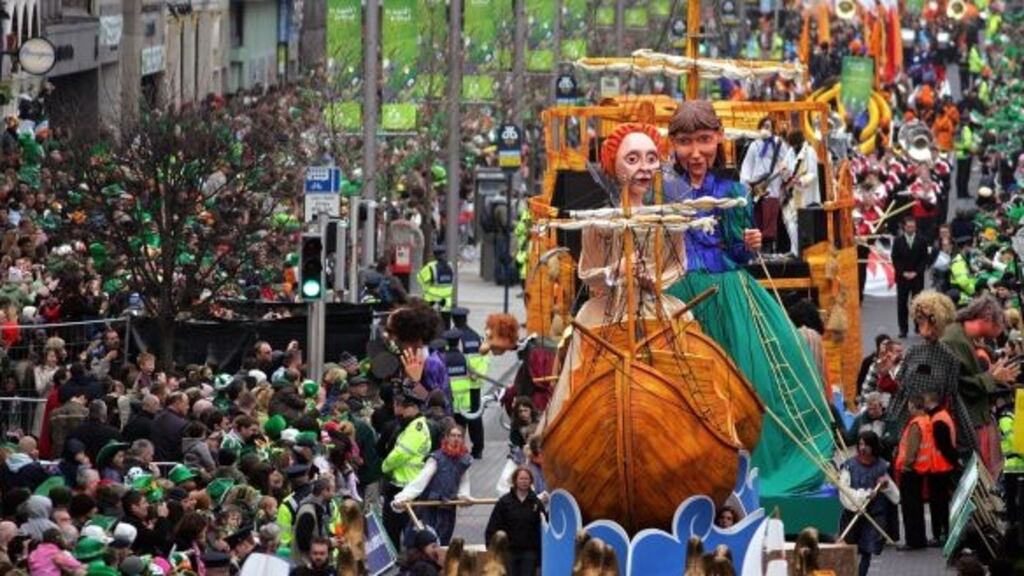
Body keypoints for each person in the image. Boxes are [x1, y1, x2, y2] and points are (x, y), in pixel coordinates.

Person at [662, 101, 833, 498]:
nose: (695, 152)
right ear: (673, 144)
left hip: (729, 295)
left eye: (704, 140)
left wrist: (748, 243)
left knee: (761, 377)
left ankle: (760, 470)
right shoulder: (663, 188)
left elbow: (738, 254)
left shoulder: (734, 191)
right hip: (677, 296)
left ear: (718, 139)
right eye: (685, 142)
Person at [942, 295, 1019, 477]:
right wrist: (992, 377)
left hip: (973, 420)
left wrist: (992, 376)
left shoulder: (962, 337)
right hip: (968, 424)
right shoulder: (955, 340)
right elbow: (961, 385)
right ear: (986, 318)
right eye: (1000, 324)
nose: (1001, 331)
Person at [392, 425, 474, 546]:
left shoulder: (464, 460)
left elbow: (464, 482)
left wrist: (464, 496)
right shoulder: (437, 458)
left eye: (459, 436)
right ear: (447, 438)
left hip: (448, 508)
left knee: (443, 541)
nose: (456, 439)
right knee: (425, 540)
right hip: (429, 508)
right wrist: (403, 497)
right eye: (453, 435)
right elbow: (421, 481)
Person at [839, 431, 899, 576]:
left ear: (873, 446)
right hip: (852, 514)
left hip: (874, 516)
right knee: (850, 550)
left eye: (866, 444)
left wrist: (885, 486)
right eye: (860, 444)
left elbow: (896, 497)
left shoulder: (881, 466)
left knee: (867, 551)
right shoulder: (849, 466)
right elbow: (844, 491)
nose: (862, 448)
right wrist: (863, 497)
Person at [381, 387, 432, 550]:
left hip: (406, 487)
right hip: (406, 485)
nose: (399, 413)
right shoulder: (414, 426)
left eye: (402, 408)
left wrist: (385, 466)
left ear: (412, 407)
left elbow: (400, 454)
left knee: (398, 528)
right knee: (398, 528)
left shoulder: (416, 428)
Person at [740, 116, 794, 253]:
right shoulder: (754, 145)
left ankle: (769, 247)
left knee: (770, 217)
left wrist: (785, 172)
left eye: (769, 126)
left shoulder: (779, 144)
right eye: (764, 126)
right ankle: (757, 249)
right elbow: (747, 166)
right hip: (757, 188)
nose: (766, 129)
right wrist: (745, 184)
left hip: (772, 188)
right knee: (756, 218)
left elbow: (787, 164)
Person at [486, 466, 544, 576]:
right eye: (521, 479)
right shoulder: (504, 502)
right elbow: (493, 526)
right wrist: (491, 548)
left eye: (527, 479)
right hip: (509, 551)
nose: (524, 482)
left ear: (531, 481)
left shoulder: (536, 503)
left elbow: (543, 528)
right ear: (515, 481)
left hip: (529, 552)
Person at [894, 395, 931, 550]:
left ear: (914, 406)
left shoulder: (916, 424)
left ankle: (912, 541)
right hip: (921, 468)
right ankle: (920, 538)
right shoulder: (926, 421)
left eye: (909, 406)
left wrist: (906, 464)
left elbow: (912, 449)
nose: (908, 409)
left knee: (910, 508)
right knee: (917, 507)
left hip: (910, 470)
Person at [451, 307, 486, 459]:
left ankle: (458, 447)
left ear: (453, 319)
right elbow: (484, 358)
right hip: (474, 385)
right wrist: (477, 376)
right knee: (474, 417)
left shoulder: (452, 338)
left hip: (457, 386)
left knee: (458, 417)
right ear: (466, 319)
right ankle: (477, 449)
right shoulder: (476, 337)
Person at [925, 392, 958, 545]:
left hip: (939, 467)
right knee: (942, 503)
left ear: (930, 401)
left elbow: (944, 446)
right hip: (942, 466)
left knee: (938, 504)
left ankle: (940, 535)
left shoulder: (938, 420)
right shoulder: (943, 416)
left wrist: (954, 461)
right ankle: (942, 533)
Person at [781, 129, 819, 257]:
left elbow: (813, 173)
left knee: (801, 224)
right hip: (792, 193)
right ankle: (794, 250)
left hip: (805, 194)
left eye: (795, 145)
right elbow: (784, 171)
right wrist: (785, 172)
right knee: (789, 220)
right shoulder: (790, 151)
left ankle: (802, 252)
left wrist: (801, 181)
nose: (793, 147)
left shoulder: (810, 152)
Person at [891, 217, 930, 338]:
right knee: (902, 304)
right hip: (902, 277)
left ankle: (918, 326)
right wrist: (903, 272)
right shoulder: (898, 241)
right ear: (904, 227)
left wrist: (916, 272)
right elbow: (895, 258)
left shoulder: (922, 240)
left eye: (913, 227)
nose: (911, 229)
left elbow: (924, 259)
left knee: (918, 304)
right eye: (908, 227)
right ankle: (903, 329)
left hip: (917, 277)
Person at [416, 245, 454, 327]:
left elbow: (419, 278)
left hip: (432, 303)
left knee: (431, 327)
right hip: (446, 304)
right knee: (446, 327)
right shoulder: (450, 266)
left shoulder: (431, 267)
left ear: (434, 255)